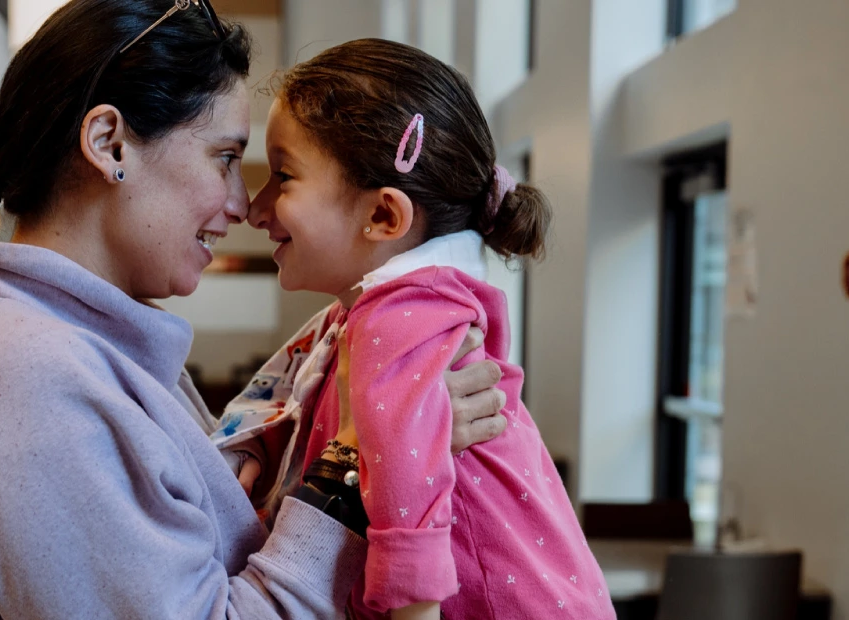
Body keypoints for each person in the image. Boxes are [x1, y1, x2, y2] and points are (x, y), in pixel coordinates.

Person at [0, 2, 507, 618]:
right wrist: (360, 459)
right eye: (226, 159)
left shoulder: (71, 350)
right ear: (109, 143)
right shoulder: (20, 379)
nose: (244, 206)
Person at [215, 39, 613, 619]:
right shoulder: (372, 316)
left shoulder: (402, 316)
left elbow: (409, 502)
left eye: (284, 176)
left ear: (383, 216)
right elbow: (313, 411)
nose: (256, 206)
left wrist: (413, 611)